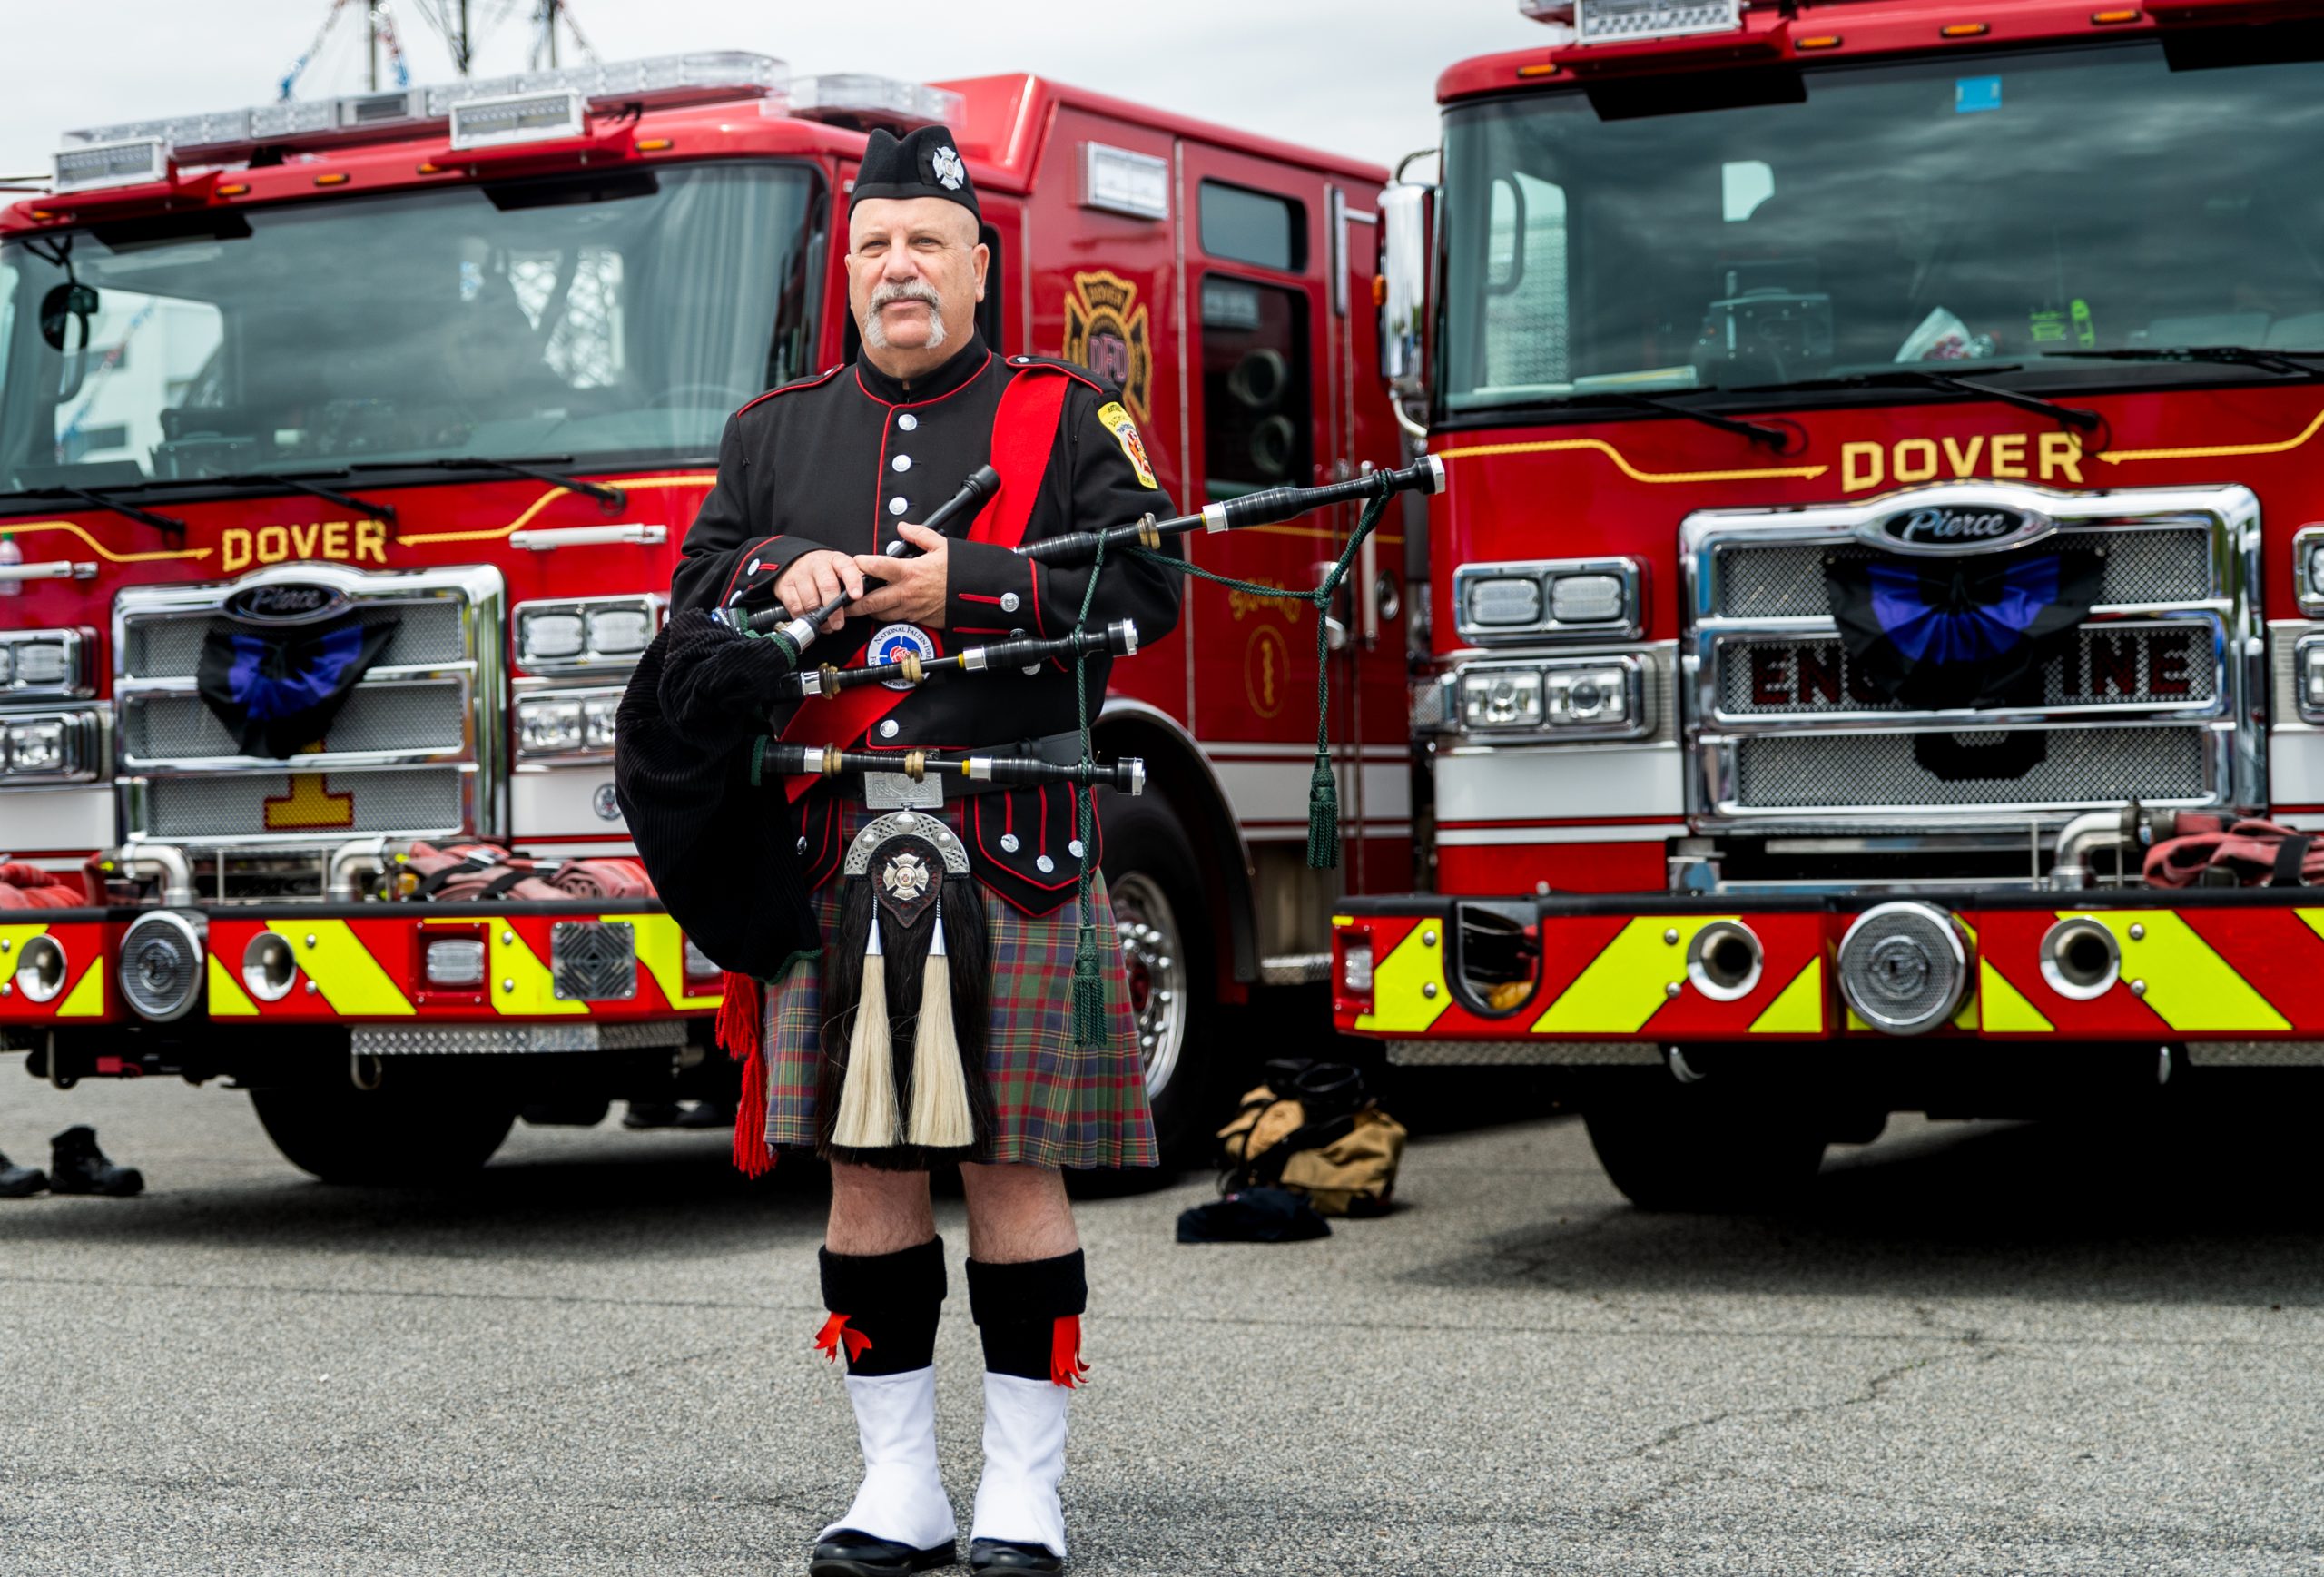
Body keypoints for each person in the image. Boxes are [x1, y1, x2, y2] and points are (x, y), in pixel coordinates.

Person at [666, 124, 1183, 1577]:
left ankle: (1026, 1490)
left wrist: (985, 580)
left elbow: (1152, 583)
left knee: (1016, 1169)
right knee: (864, 1172)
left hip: (1010, 840)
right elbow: (693, 594)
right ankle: (899, 1485)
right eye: (874, 247)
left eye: (925, 245)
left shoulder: (1066, 415)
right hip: (832, 844)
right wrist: (781, 572)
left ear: (979, 264)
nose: (898, 268)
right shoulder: (774, 433)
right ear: (850, 273)